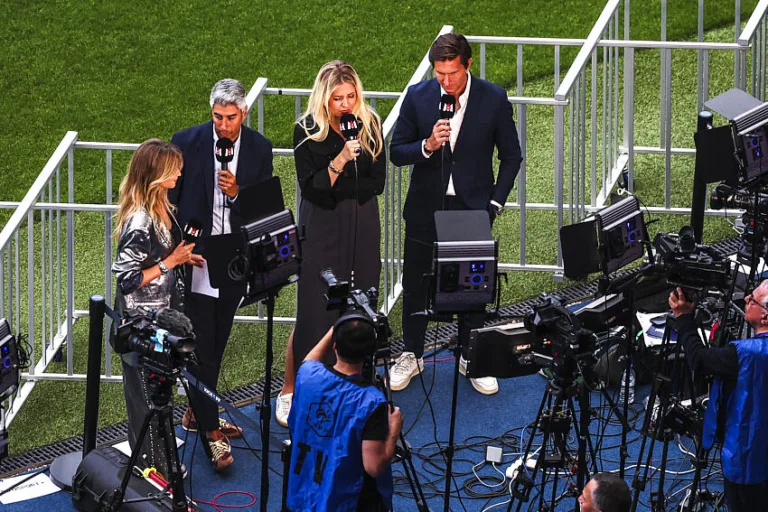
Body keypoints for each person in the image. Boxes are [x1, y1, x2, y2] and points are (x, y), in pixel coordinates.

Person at [389, 33, 523, 395]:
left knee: (472, 286)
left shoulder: (493, 98)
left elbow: (512, 155)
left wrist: (494, 204)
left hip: (473, 208)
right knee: (416, 282)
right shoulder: (418, 96)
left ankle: (470, 356)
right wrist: (428, 145)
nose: (446, 82)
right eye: (440, 74)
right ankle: (412, 353)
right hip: (425, 208)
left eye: (452, 73)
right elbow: (397, 151)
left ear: (468, 65)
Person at [170, 78, 274, 471]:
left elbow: (265, 206)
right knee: (204, 346)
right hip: (196, 257)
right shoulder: (186, 141)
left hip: (234, 259)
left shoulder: (260, 148)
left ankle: (197, 412)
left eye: (231, 117)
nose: (224, 125)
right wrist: (179, 251)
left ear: (243, 112)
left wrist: (237, 194)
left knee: (218, 340)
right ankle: (211, 431)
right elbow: (171, 202)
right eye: (218, 117)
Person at [275, 61, 385, 427]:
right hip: (321, 226)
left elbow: (376, 182)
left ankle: (352, 387)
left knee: (361, 299)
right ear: (324, 98)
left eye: (351, 96)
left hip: (363, 222)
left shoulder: (370, 123)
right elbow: (313, 189)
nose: (346, 104)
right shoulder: (306, 131)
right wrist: (339, 162)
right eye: (338, 98)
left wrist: (337, 183)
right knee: (315, 308)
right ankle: (293, 388)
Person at [112, 138, 205, 477]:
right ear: (156, 175)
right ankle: (151, 469)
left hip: (161, 319)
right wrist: (170, 262)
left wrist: (181, 259)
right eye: (174, 169)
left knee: (159, 395)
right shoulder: (140, 220)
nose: (179, 173)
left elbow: (157, 258)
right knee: (146, 401)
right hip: (142, 325)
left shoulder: (162, 206)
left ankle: (161, 463)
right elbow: (127, 279)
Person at [286, 317, 402, 511]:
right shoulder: (372, 402)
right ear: (370, 352)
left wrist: (338, 326)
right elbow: (373, 467)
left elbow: (310, 359)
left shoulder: (308, 374)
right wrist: (393, 432)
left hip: (301, 497)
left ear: (335, 347)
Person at [670, 284, 768, 511]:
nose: (745, 299)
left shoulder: (746, 354)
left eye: (752, 299)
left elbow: (698, 360)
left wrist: (683, 319)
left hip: (748, 460)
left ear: (765, 317)